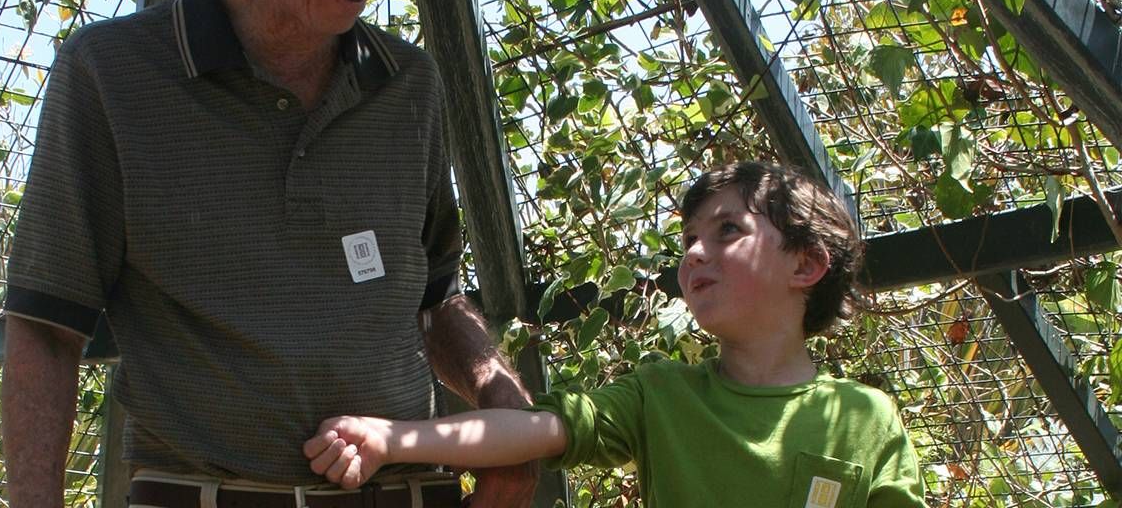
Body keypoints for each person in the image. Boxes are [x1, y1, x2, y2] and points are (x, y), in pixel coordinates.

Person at [0, 0, 538, 506]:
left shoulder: (410, 86)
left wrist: (507, 408)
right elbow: (45, 327)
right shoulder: (113, 77)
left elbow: (437, 300)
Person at [304, 162, 929, 507]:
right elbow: (530, 429)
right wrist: (393, 439)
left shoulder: (865, 418)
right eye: (687, 241)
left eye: (727, 231)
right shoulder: (660, 395)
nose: (693, 254)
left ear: (806, 265)